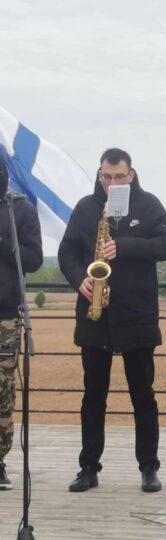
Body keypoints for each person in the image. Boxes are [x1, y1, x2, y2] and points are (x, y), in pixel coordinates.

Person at [58, 148, 166, 493]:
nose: (112, 183)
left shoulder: (149, 205)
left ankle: (149, 468)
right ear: (99, 176)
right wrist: (79, 278)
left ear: (131, 175)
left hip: (137, 314)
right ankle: (88, 468)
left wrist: (124, 245)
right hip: (95, 315)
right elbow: (66, 252)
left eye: (119, 177)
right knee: (93, 396)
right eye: (106, 177)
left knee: (143, 396)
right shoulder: (85, 208)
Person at [0, 153, 43, 490]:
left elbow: (34, 259)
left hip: (4, 315)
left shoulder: (21, 210)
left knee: (3, 392)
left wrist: (3, 244)